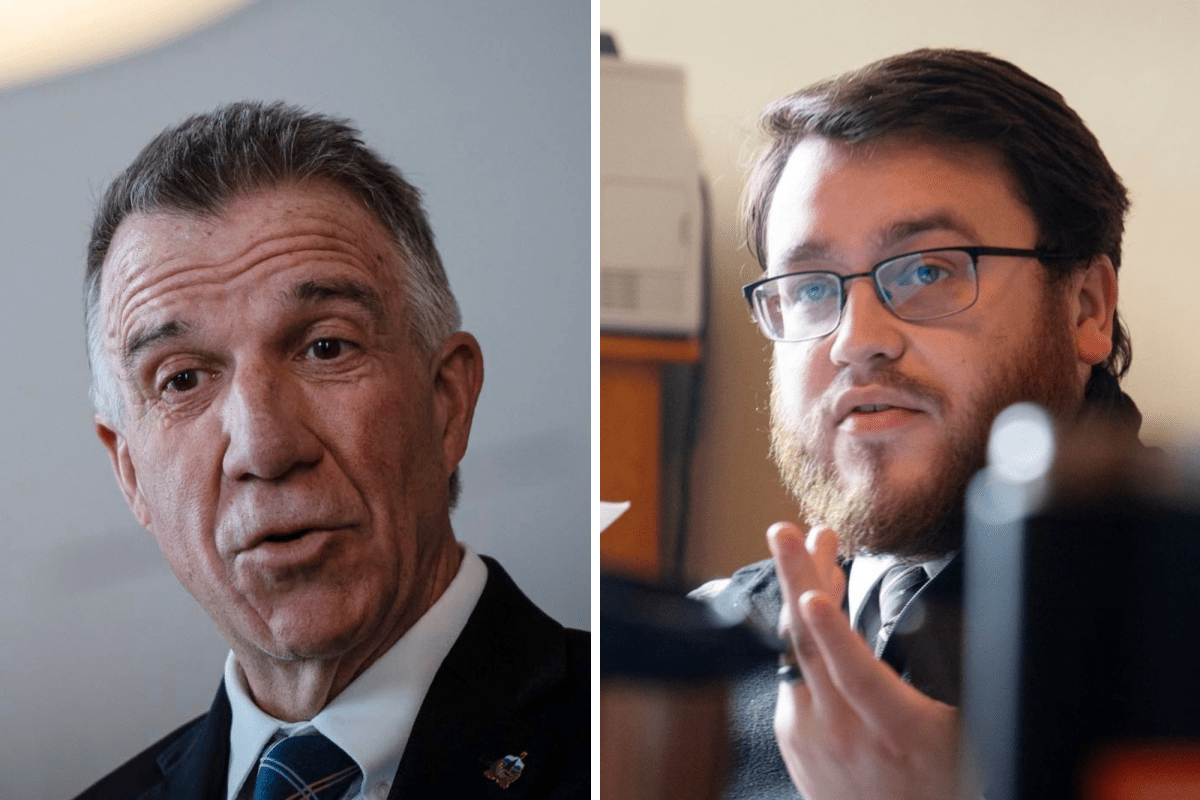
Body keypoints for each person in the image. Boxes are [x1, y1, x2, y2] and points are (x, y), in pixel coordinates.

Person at [73, 101, 588, 800]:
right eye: (183, 379)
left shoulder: (637, 741)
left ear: (446, 402)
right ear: (130, 473)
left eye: (325, 347)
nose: (264, 447)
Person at [697, 48, 1138, 799]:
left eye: (928, 269)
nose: (854, 338)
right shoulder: (696, 661)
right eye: (809, 288)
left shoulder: (1166, 635)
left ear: (1086, 307)